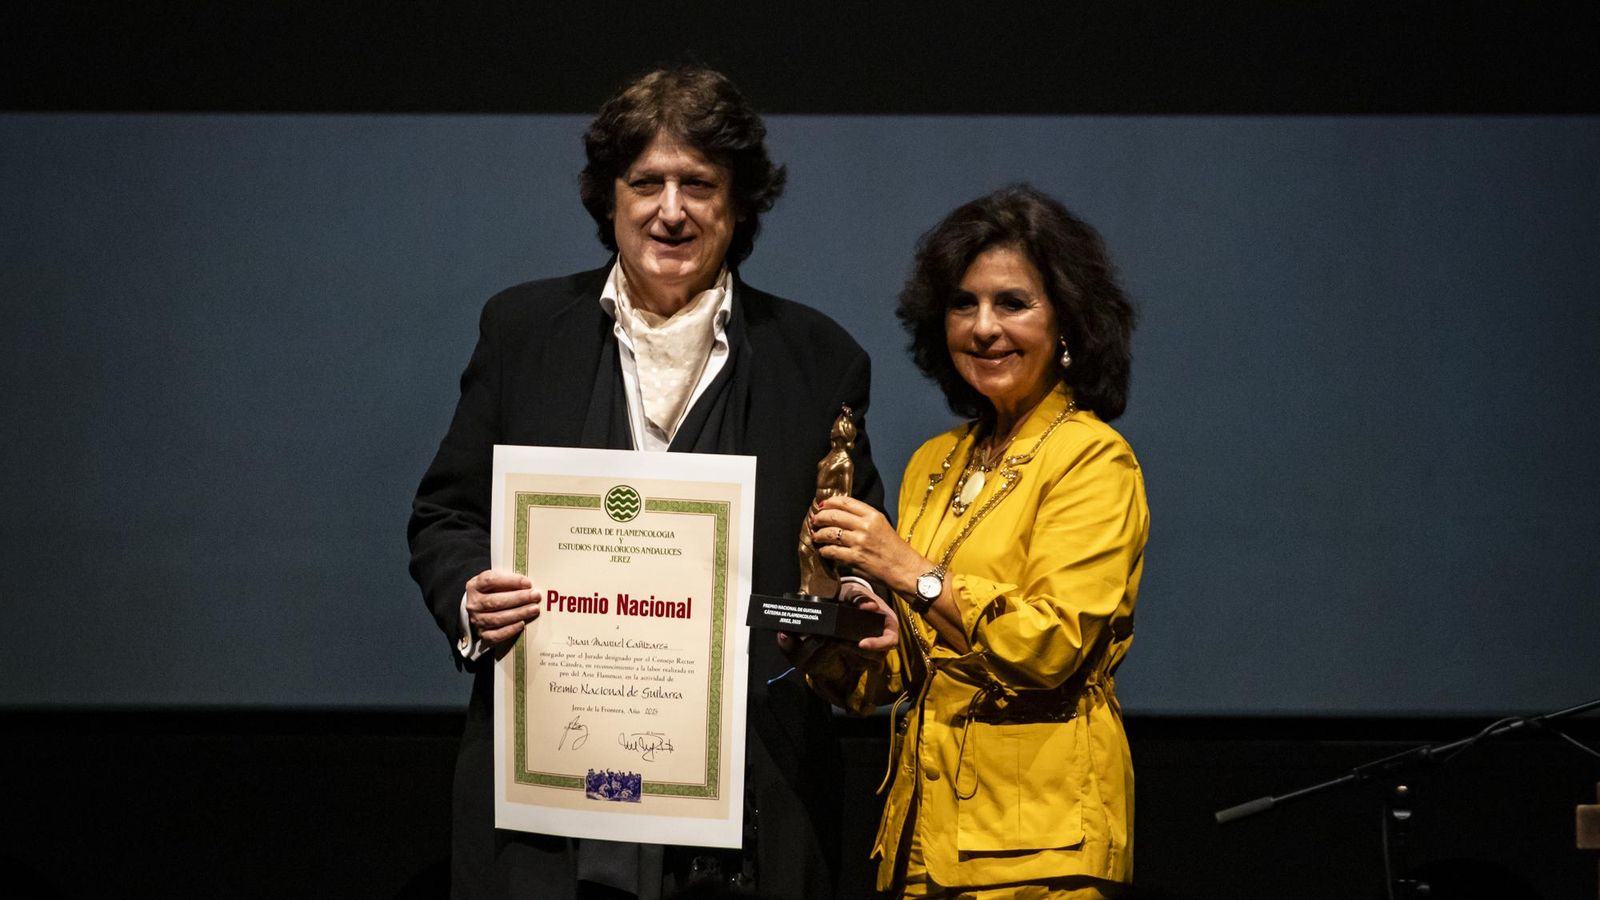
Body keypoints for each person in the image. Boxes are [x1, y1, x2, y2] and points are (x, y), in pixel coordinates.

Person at [408, 65, 884, 900]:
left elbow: (845, 566)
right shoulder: (523, 332)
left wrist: (843, 614)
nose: (671, 210)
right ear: (609, 199)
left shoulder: (819, 360)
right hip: (553, 804)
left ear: (739, 204)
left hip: (746, 813)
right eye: (646, 182)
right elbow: (446, 514)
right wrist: (471, 596)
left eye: (698, 183)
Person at [792, 185, 1148, 898]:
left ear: (1067, 320)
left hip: (1042, 852)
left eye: (1012, 303)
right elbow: (901, 674)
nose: (984, 328)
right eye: (963, 304)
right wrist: (827, 627)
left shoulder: (1092, 458)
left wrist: (909, 570)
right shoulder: (936, 462)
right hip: (922, 845)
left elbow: (1051, 647)